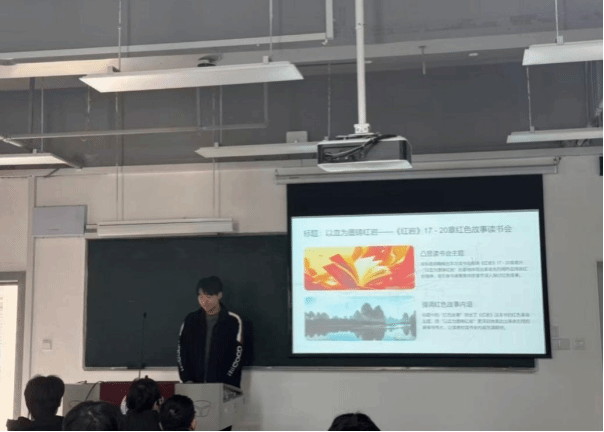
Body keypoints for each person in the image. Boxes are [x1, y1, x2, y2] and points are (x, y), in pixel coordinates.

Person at [178, 276, 244, 389]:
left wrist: (226, 382)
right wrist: (187, 379)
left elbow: (237, 356)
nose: (204, 301)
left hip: (225, 387)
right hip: (193, 386)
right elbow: (181, 352)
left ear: (219, 295)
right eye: (200, 297)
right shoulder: (191, 320)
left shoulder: (232, 321)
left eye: (209, 296)